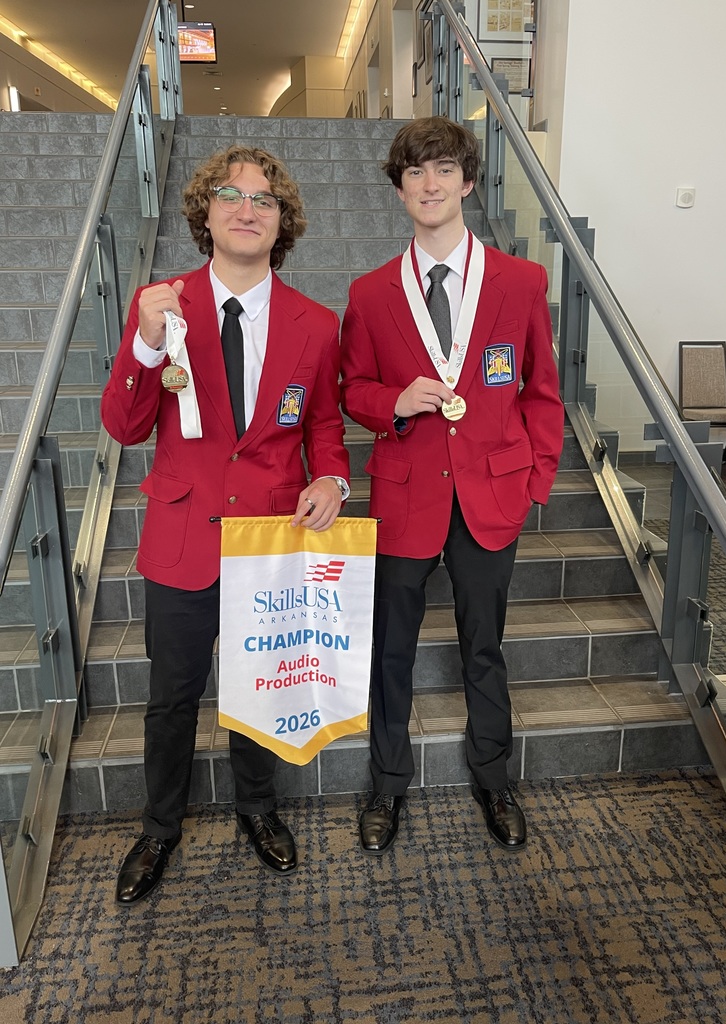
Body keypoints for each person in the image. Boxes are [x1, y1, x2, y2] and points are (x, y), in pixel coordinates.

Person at [102, 145, 350, 904]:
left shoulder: (314, 322)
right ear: (205, 213)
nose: (248, 209)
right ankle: (159, 826)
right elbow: (122, 425)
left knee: (260, 688)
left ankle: (258, 809)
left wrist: (333, 477)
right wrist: (145, 343)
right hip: (182, 539)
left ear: (283, 223)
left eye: (265, 200)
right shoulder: (162, 306)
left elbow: (325, 425)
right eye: (231, 196)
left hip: (269, 542)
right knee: (172, 697)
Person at [339, 116, 564, 856]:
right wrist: (391, 403)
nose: (429, 184)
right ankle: (387, 784)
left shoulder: (521, 281)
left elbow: (541, 390)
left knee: (483, 646)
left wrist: (536, 479)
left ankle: (493, 778)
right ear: (399, 188)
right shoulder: (371, 293)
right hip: (406, 494)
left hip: (491, 495)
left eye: (443, 170)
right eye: (414, 172)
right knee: (391, 648)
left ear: (469, 181)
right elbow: (353, 390)